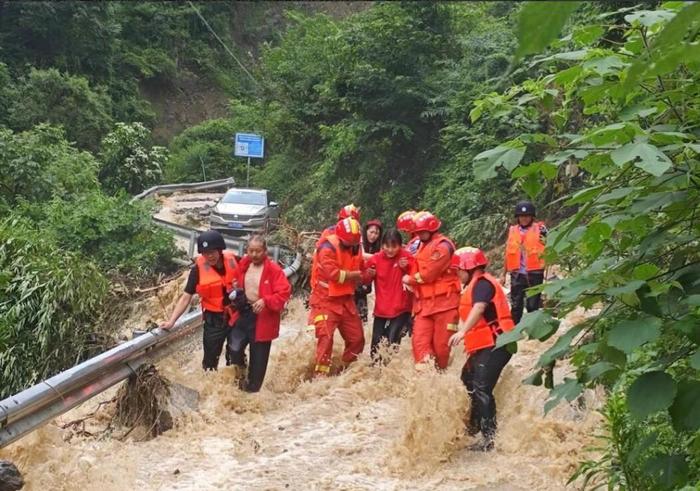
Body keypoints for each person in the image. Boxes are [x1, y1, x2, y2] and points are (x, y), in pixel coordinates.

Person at [449, 247, 515, 452]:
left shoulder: (483, 285)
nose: (456, 273)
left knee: (481, 387)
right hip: (487, 344)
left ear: (468, 268)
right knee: (467, 379)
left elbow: (479, 308)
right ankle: (475, 425)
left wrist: (462, 332)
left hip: (497, 343)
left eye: (458, 269)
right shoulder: (474, 284)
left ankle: (489, 438)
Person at [160, 230, 238, 371]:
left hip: (236, 316)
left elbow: (255, 272)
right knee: (210, 362)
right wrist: (172, 321)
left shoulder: (234, 260)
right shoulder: (197, 271)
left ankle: (238, 383)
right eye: (205, 253)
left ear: (220, 250)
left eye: (212, 252)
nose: (209, 256)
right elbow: (186, 297)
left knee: (236, 355)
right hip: (214, 320)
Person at [226, 235, 291, 392]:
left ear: (265, 251)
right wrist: (235, 292)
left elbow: (284, 292)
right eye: (251, 251)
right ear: (246, 250)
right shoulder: (243, 265)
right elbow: (232, 283)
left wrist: (265, 301)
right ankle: (240, 375)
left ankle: (251, 394)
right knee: (233, 349)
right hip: (244, 314)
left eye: (258, 251)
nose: (254, 255)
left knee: (258, 364)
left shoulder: (273, 270)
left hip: (263, 319)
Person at [308, 217, 367, 376]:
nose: (352, 246)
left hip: (346, 300)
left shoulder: (356, 246)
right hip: (325, 300)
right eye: (349, 243)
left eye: (355, 243)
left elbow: (361, 265)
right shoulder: (326, 248)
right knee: (325, 339)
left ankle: (345, 372)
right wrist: (356, 275)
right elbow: (333, 274)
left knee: (357, 339)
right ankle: (320, 378)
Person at [402, 211, 461, 370]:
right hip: (424, 305)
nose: (420, 234)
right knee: (419, 344)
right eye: (418, 232)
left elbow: (429, 274)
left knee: (442, 349)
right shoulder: (419, 245)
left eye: (422, 231)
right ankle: (425, 378)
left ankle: (441, 377)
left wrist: (410, 279)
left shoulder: (443, 246)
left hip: (445, 305)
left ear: (432, 229)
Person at [364, 229, 413, 362]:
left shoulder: (406, 257)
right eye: (387, 246)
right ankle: (375, 373)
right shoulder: (376, 259)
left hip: (401, 308)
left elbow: (417, 278)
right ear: (382, 245)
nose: (390, 250)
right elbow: (364, 281)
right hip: (381, 309)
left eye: (394, 246)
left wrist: (407, 267)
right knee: (375, 345)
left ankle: (389, 373)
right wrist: (369, 275)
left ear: (400, 245)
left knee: (392, 343)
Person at [502, 200, 547, 323]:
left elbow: (549, 247)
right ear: (518, 217)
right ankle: (514, 332)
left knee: (532, 305)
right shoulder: (513, 231)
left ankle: (534, 329)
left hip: (535, 273)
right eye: (522, 216)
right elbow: (508, 253)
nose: (524, 218)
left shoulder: (540, 229)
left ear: (532, 216)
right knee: (516, 306)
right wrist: (503, 274)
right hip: (517, 274)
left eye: (527, 216)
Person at [355, 219, 383, 323]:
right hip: (355, 280)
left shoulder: (377, 246)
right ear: (365, 231)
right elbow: (361, 255)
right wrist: (379, 257)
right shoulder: (359, 241)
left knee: (363, 316)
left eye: (376, 233)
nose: (373, 235)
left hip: (366, 283)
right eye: (371, 232)